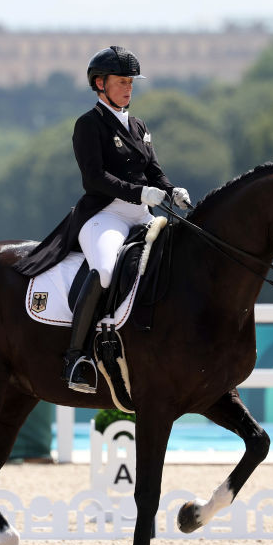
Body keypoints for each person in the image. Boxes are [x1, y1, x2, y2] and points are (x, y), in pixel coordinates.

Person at [15, 45, 191, 393]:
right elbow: (94, 179)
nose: (128, 88)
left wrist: (171, 191)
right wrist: (139, 193)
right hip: (104, 214)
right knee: (107, 270)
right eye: (121, 81)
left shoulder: (138, 124)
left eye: (131, 82)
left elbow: (153, 171)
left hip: (141, 214)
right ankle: (75, 357)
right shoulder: (88, 124)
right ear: (100, 83)